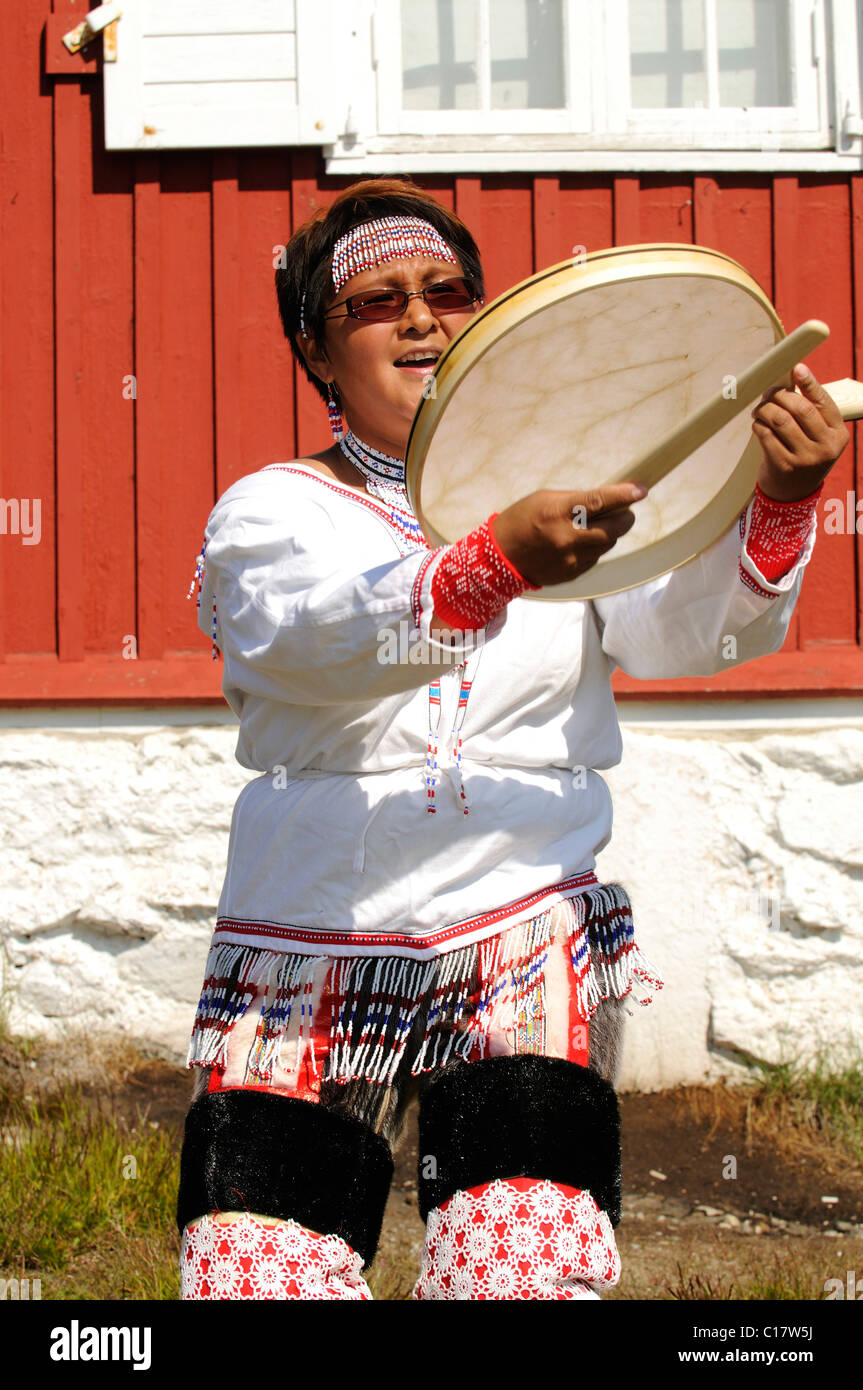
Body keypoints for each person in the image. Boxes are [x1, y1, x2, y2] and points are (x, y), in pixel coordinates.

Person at [178, 177, 849, 1301]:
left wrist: (778, 493)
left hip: (520, 928)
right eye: (376, 302)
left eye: (448, 293)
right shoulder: (271, 510)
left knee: (523, 1274)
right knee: (258, 1273)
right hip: (307, 941)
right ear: (315, 349)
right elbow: (309, 644)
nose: (422, 319)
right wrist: (492, 563)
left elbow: (678, 635)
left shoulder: (571, 502)